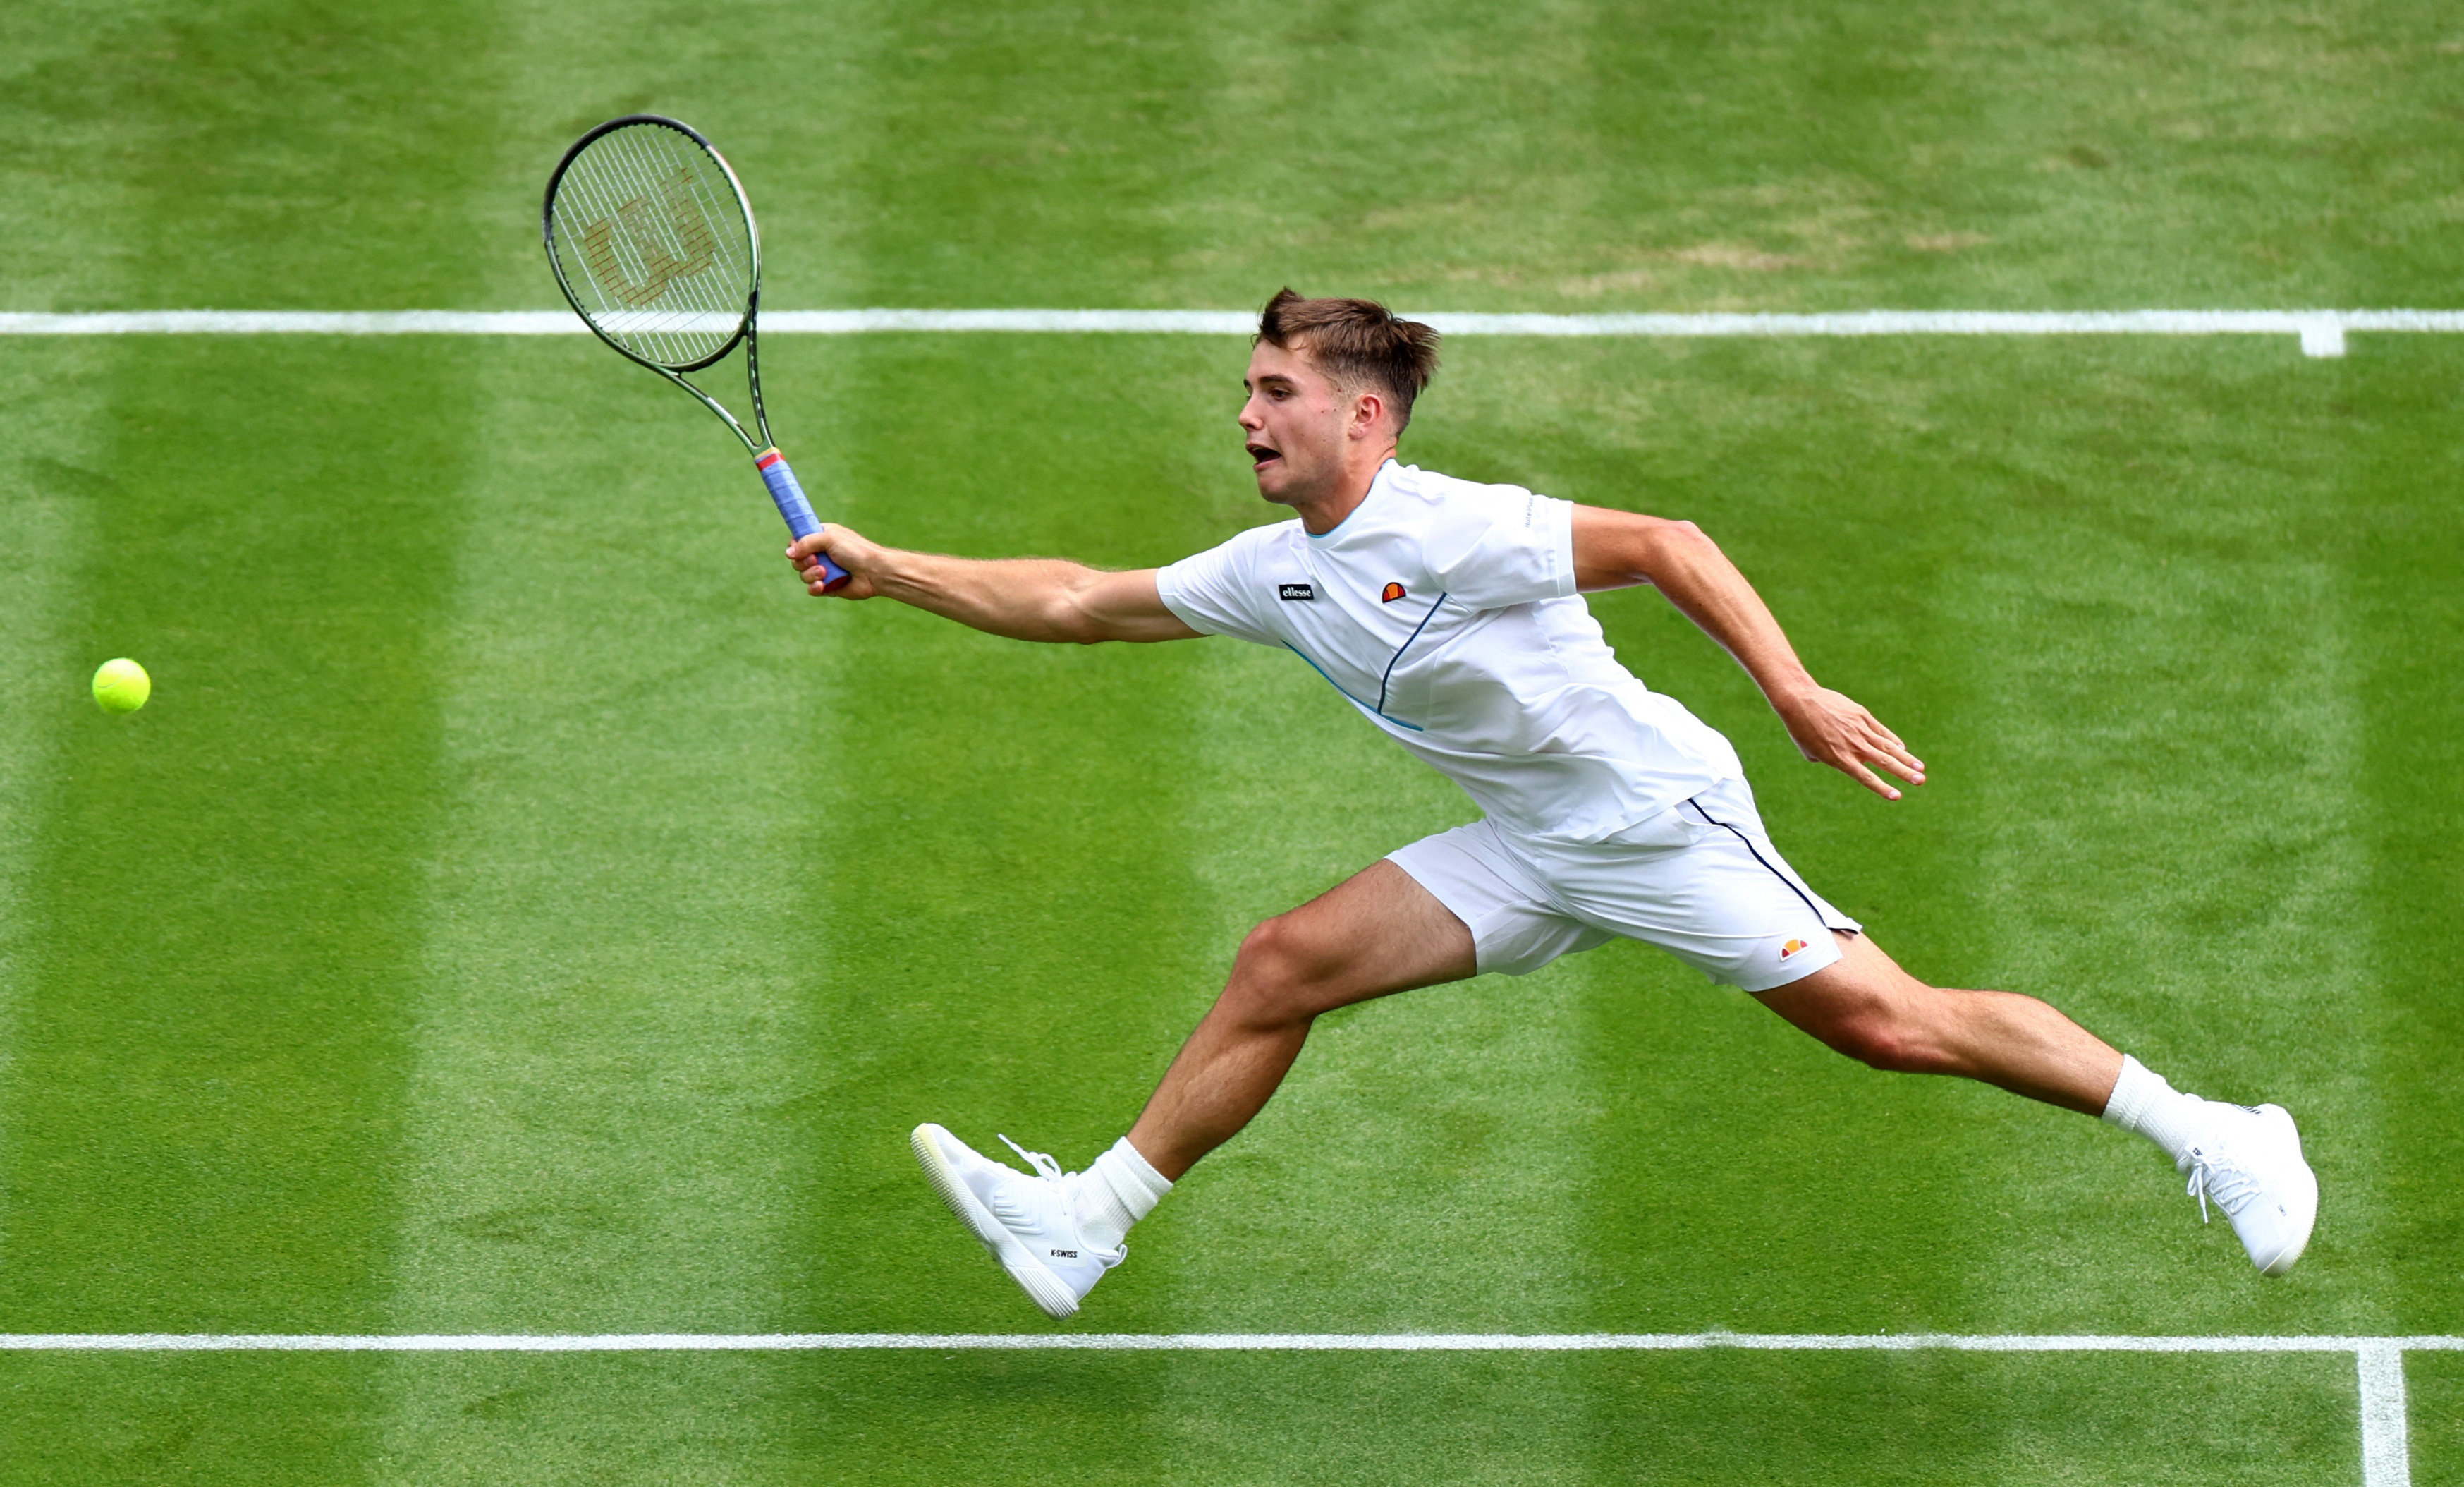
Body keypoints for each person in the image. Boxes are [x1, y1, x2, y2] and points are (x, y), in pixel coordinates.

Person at [788, 289, 2318, 1320]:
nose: (1245, 413)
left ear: (1364, 421)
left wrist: (1787, 689)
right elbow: (1072, 600)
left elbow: (1669, 539)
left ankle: (2215, 1131)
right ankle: (1090, 1220)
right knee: (1282, 963)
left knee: (1890, 1024)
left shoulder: (1452, 527)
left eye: (1275, 391)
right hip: (1529, 844)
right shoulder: (1275, 567)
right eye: (1245, 390)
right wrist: (893, 570)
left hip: (1654, 821)